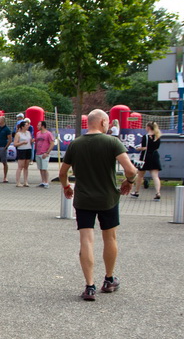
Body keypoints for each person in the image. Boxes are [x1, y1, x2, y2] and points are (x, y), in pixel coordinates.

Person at [59, 108, 139, 301]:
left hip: (84, 199)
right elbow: (130, 170)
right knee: (110, 237)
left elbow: (62, 173)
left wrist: (67, 187)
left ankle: (89, 286)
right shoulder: (112, 142)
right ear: (103, 122)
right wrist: (129, 181)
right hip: (108, 198)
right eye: (108, 122)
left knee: (86, 240)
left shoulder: (75, 144)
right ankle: (109, 279)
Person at [131, 121, 162, 200]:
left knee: (140, 175)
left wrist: (138, 149)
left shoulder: (146, 136)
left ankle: (136, 192)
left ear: (148, 127)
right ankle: (158, 192)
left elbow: (144, 147)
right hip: (155, 156)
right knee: (155, 176)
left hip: (145, 157)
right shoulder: (157, 136)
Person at [33, 120, 56, 188]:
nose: (37, 126)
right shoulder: (38, 133)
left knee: (44, 168)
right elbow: (37, 141)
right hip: (38, 153)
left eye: (39, 125)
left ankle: (46, 182)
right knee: (40, 168)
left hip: (44, 153)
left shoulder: (48, 134)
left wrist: (47, 152)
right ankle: (43, 181)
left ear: (42, 126)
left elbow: (52, 143)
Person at [13, 120, 33, 187]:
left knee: (26, 167)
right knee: (20, 166)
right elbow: (15, 144)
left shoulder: (28, 133)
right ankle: (18, 182)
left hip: (28, 149)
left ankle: (25, 181)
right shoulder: (18, 134)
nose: (28, 126)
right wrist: (22, 143)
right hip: (21, 150)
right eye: (26, 125)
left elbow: (30, 140)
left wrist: (32, 141)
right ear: (22, 126)